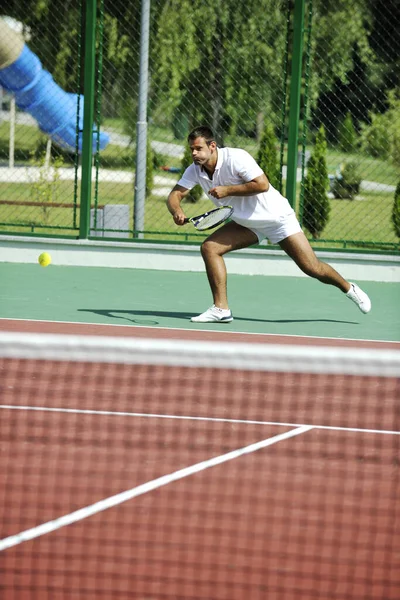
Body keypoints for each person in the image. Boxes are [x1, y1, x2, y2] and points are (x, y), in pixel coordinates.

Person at [167, 126, 371, 323]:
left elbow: (262, 184)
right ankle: (221, 309)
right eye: (192, 149)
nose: (194, 153)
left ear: (212, 146)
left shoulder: (236, 157)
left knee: (312, 267)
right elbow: (175, 194)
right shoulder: (195, 170)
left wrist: (227, 190)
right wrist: (177, 210)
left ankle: (348, 288)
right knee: (209, 248)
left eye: (198, 148)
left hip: (277, 219)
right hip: (246, 224)